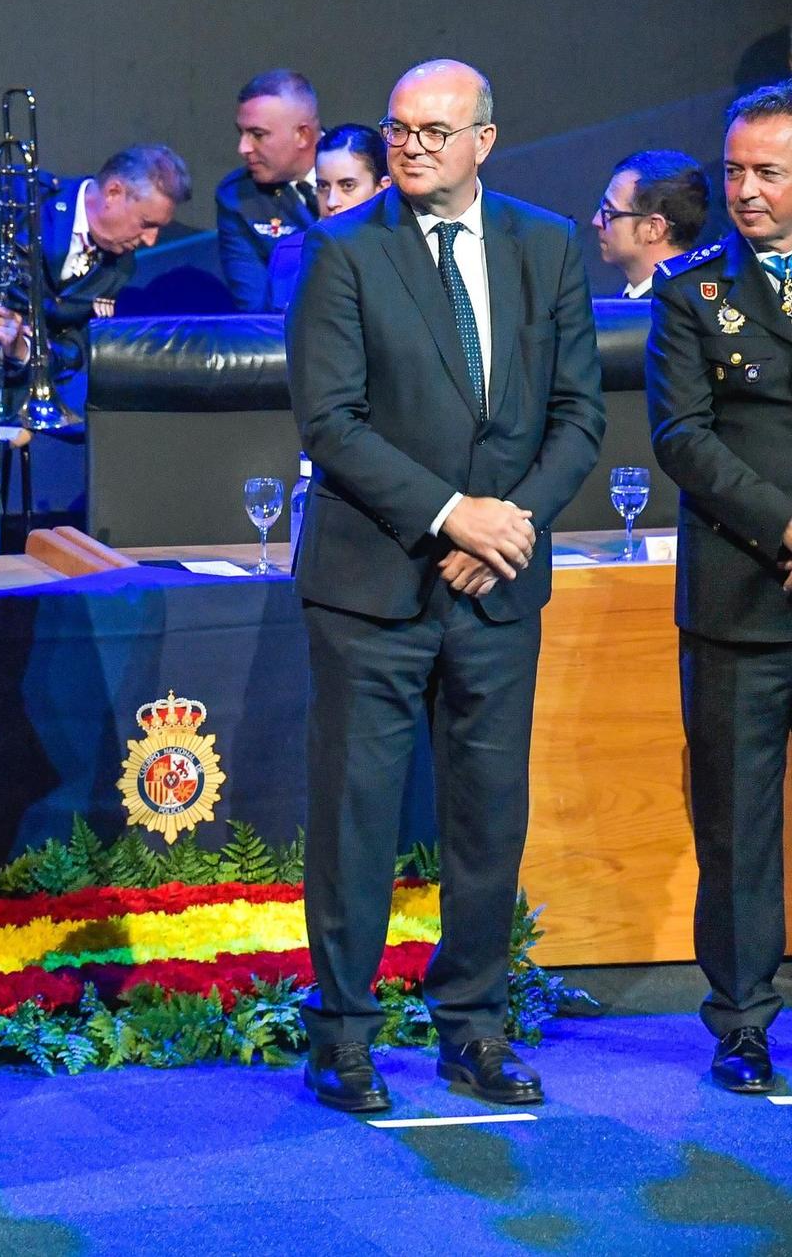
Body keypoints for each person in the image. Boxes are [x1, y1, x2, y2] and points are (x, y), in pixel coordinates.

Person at [287, 60, 604, 1113]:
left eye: (434, 130)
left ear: (483, 139)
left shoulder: (546, 243)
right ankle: (341, 1037)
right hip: (372, 586)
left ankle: (471, 1027)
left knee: (485, 818)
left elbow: (577, 417)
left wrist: (505, 525)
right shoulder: (339, 249)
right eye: (397, 130)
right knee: (355, 816)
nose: (411, 146)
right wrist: (445, 514)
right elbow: (330, 422)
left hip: (498, 584)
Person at [643, 79, 792, 1094]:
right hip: (742, 590)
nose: (742, 190)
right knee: (734, 823)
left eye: (765, 172)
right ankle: (740, 1020)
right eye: (733, 170)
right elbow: (680, 438)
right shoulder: (690, 291)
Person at [0, 143, 188, 372]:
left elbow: (80, 344)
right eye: (146, 222)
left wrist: (27, 352)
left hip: (21, 394)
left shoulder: (121, 265)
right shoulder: (13, 193)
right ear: (114, 193)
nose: (151, 240)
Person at [218, 69, 322, 312]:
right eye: (241, 133)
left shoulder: (369, 168)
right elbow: (255, 314)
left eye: (257, 134)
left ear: (302, 135)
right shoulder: (239, 198)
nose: (243, 148)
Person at [266, 123, 391, 311]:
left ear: (382, 189)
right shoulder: (289, 255)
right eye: (323, 186)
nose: (331, 202)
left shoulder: (404, 256)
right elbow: (266, 338)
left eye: (347, 186)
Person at [595, 150, 708, 298]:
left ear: (653, 228)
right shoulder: (616, 311)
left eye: (609, 211)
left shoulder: (679, 314)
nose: (596, 221)